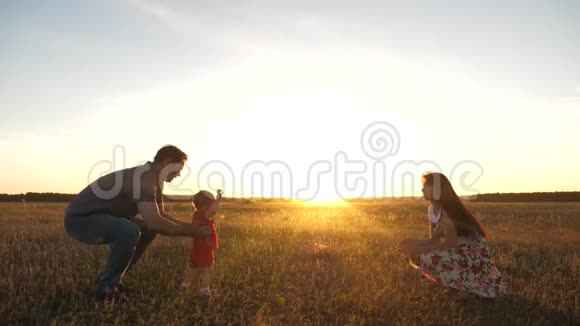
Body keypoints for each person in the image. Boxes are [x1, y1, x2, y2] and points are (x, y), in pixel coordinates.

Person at [64, 145, 211, 300]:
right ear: (167, 162)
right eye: (178, 169)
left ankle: (111, 279)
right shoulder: (144, 178)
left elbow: (160, 215)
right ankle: (106, 289)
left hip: (96, 218)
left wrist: (192, 227)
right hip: (79, 220)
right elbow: (156, 222)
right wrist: (194, 232)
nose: (179, 174)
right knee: (130, 230)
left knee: (146, 229)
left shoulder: (154, 179)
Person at [398, 172, 508, 298]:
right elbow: (434, 240)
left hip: (472, 253)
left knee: (428, 256)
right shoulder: (431, 209)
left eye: (425, 186)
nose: (422, 189)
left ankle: (464, 286)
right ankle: (455, 284)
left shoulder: (446, 212)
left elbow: (449, 243)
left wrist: (419, 248)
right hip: (457, 249)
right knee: (417, 254)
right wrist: (411, 243)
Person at [180, 189, 222, 297]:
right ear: (207, 204)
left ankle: (185, 285)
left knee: (195, 267)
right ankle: (204, 289)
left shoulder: (198, 213)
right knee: (206, 269)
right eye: (211, 203)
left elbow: (213, 212)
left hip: (198, 247)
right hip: (204, 247)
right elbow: (213, 211)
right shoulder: (203, 214)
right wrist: (218, 199)